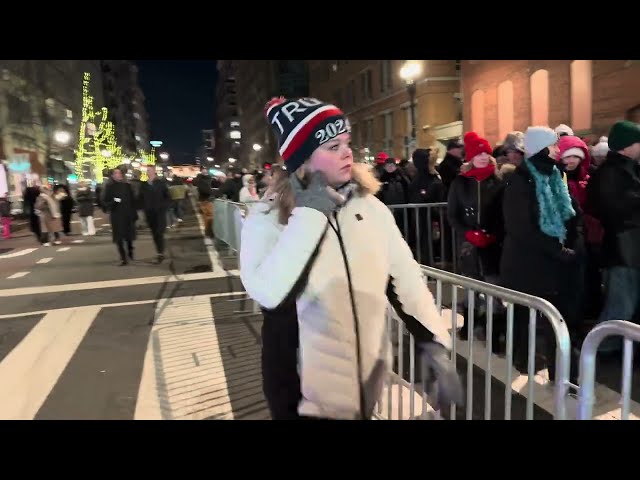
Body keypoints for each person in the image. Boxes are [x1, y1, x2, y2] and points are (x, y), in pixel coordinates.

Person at [240, 96, 462, 420]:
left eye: (347, 142)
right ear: (301, 160)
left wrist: (434, 342)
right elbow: (269, 293)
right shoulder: (268, 216)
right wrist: (311, 212)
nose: (347, 152)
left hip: (368, 386)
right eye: (332, 146)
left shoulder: (369, 207)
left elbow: (405, 279)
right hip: (304, 400)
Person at [500, 126, 582, 383]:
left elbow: (569, 211)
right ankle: (523, 361)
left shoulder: (555, 174)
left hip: (553, 260)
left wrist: (572, 239)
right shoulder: (520, 179)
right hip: (527, 262)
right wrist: (557, 250)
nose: (559, 149)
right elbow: (520, 227)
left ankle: (562, 378)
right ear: (542, 147)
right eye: (554, 144)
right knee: (528, 317)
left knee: (554, 321)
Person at [447, 132, 505, 349]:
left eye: (485, 153)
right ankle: (470, 323)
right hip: (469, 246)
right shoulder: (460, 183)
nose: (482, 157)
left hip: (492, 246)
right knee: (471, 288)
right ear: (470, 157)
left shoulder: (498, 182)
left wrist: (492, 235)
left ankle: (495, 332)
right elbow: (453, 214)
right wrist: (468, 234)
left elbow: (504, 215)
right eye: (478, 153)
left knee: (494, 290)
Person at [588, 121, 640, 350]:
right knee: (620, 306)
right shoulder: (611, 173)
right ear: (628, 145)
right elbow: (614, 210)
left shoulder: (628, 169)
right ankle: (598, 349)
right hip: (622, 250)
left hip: (630, 249)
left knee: (628, 306)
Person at [103, 167, 137, 265]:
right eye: (116, 173)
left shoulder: (127, 186)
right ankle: (123, 258)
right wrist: (113, 202)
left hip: (128, 214)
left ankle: (130, 251)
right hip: (116, 215)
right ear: (113, 176)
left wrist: (134, 214)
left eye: (120, 173)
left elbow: (133, 201)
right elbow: (105, 201)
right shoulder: (109, 187)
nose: (119, 175)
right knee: (119, 237)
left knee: (129, 236)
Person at [141, 165, 171, 264]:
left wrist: (164, 207)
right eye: (147, 171)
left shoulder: (161, 184)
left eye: (149, 170)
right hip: (149, 213)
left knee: (159, 233)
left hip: (160, 213)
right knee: (154, 234)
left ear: (154, 171)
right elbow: (140, 199)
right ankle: (159, 252)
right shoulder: (144, 185)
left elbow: (168, 197)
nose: (147, 172)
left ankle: (160, 253)